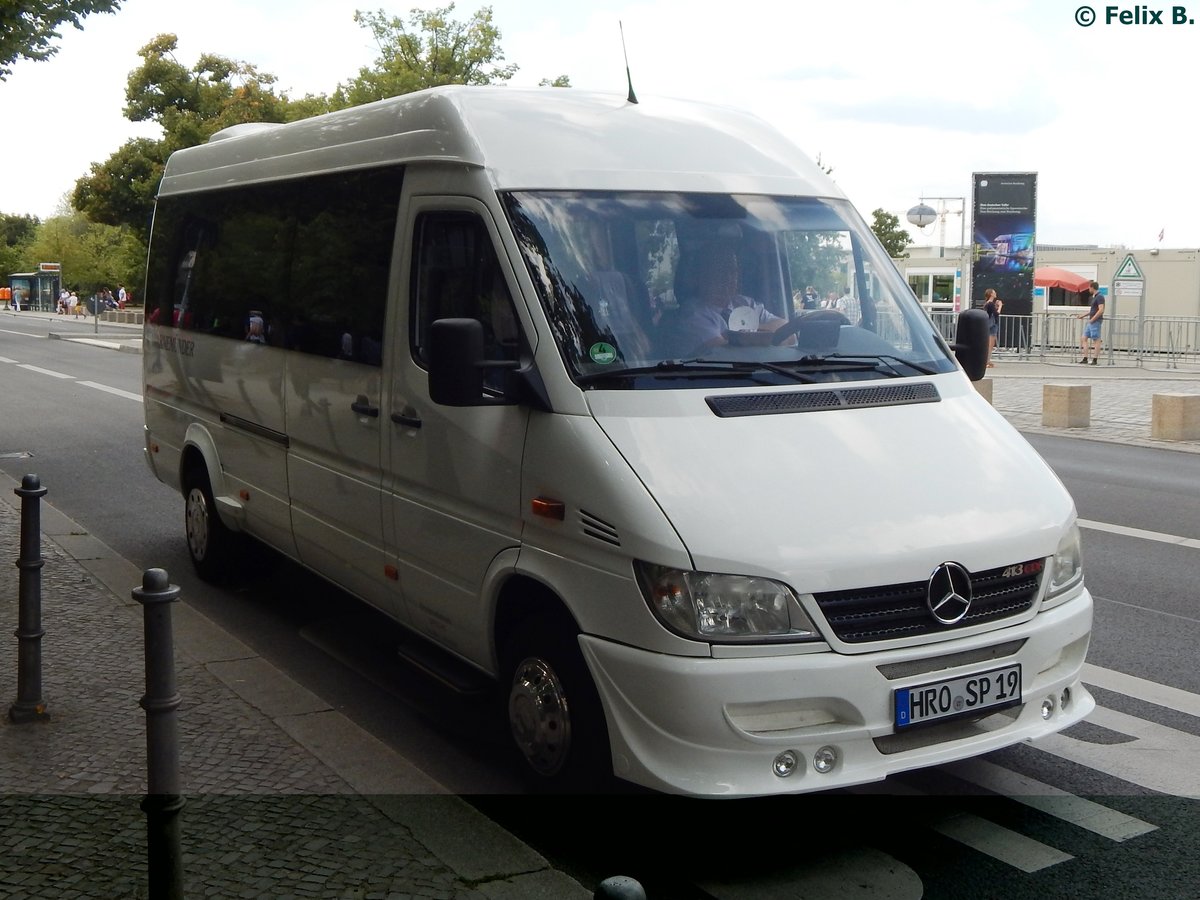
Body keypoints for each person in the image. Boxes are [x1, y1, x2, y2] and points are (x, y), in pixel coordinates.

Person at [677, 247, 785, 352]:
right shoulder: (692, 314)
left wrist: (743, 331)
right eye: (720, 270)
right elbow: (727, 354)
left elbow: (788, 332)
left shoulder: (745, 303)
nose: (728, 278)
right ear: (701, 276)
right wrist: (768, 335)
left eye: (733, 271)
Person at [1077, 280, 1104, 364]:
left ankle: (1095, 359)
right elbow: (1092, 310)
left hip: (1095, 321)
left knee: (1096, 339)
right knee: (1084, 338)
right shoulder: (1094, 297)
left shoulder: (1100, 297)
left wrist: (1093, 319)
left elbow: (1101, 310)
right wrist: (1083, 315)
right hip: (1091, 321)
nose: (1088, 289)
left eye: (1089, 287)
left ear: (1092, 287)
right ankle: (1085, 358)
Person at [983, 288, 1002, 367]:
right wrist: (1000, 306)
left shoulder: (988, 303)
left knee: (989, 344)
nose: (995, 293)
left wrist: (996, 307)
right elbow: (996, 314)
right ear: (991, 294)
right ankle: (987, 361)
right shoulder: (990, 303)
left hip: (989, 324)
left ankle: (988, 360)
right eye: (994, 292)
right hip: (992, 325)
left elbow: (992, 313)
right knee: (990, 344)